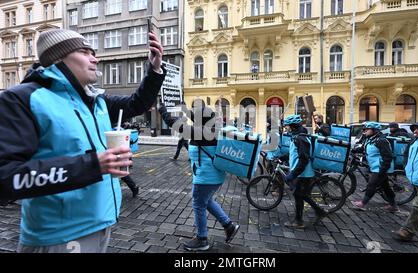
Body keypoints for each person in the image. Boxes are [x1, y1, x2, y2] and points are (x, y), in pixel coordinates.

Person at [0, 28, 166, 253]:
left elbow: (137, 104)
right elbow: (7, 177)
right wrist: (93, 165)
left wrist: (154, 70)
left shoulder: (96, 99)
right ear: (60, 57)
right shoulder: (23, 98)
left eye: (93, 52)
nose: (95, 58)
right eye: (85, 52)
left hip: (103, 223)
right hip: (58, 237)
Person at [158, 99, 240, 251]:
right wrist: (183, 106)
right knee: (206, 201)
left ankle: (202, 239)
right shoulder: (212, 127)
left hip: (206, 176)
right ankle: (228, 226)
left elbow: (173, 122)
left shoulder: (199, 132)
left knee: (198, 204)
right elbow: (194, 117)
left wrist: (161, 108)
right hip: (214, 175)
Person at [283, 114, 328, 228]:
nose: (286, 128)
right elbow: (295, 153)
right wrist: (283, 157)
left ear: (292, 126)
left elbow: (303, 158)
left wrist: (293, 174)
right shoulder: (298, 136)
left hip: (303, 174)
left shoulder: (300, 138)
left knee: (299, 196)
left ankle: (299, 221)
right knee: (302, 195)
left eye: (287, 126)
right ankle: (319, 211)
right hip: (302, 173)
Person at [351, 122, 398, 212]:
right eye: (364, 129)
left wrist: (382, 170)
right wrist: (353, 150)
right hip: (375, 167)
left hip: (380, 168)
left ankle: (362, 203)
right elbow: (363, 148)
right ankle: (393, 205)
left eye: (367, 129)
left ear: (374, 130)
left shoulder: (381, 141)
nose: (365, 131)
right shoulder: (370, 139)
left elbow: (388, 156)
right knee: (386, 187)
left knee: (371, 185)